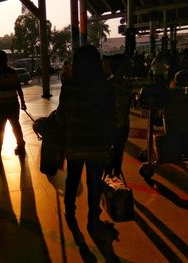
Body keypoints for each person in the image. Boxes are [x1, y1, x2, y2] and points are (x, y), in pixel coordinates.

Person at [56, 45, 114, 230]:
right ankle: (93, 217)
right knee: (94, 180)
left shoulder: (70, 86)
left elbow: (61, 115)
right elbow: (109, 116)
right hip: (97, 142)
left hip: (75, 141)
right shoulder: (105, 85)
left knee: (72, 177)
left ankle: (70, 211)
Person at [0, 50, 27, 155]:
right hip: (3, 103)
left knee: (13, 125)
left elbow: (18, 87)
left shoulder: (12, 72)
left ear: (4, 60)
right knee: (2, 127)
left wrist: (23, 102)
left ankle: (19, 144)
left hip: (11, 103)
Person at [105, 54, 133, 177]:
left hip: (123, 124)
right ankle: (108, 175)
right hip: (111, 125)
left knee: (119, 151)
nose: (125, 68)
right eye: (123, 66)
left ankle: (116, 175)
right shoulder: (107, 85)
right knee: (110, 152)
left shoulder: (127, 84)